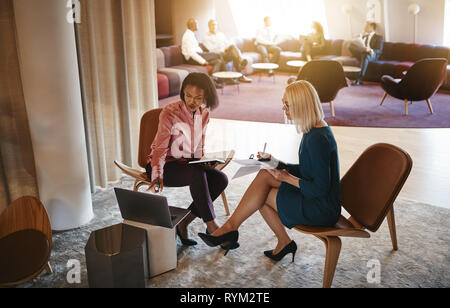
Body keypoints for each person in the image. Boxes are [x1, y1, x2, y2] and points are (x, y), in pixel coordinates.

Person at [198, 80, 342, 260]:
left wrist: (286, 177)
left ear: (302, 105)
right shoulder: (314, 129)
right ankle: (237, 230)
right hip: (318, 199)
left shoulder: (318, 139)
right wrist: (278, 164)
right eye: (283, 103)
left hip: (322, 209)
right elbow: (309, 171)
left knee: (261, 195)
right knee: (265, 174)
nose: (283, 108)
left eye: (287, 104)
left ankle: (232, 230)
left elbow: (319, 188)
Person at [146, 72, 229, 246]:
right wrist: (157, 172)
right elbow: (160, 147)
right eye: (188, 96)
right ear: (183, 93)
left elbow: (199, 147)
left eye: (198, 98)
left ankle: (184, 223)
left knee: (220, 179)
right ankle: (212, 226)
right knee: (196, 174)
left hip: (187, 165)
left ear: (206, 97)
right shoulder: (170, 112)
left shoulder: (204, 114)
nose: (192, 101)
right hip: (164, 165)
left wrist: (205, 162)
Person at [203, 19, 252, 83]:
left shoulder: (220, 34)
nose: (214, 26)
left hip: (225, 53)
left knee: (232, 48)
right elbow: (211, 49)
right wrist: (222, 48)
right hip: (217, 55)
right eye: (212, 25)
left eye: (215, 25)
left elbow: (227, 43)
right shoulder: (206, 37)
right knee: (233, 54)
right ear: (209, 26)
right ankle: (240, 66)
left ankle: (240, 72)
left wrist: (227, 47)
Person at [182, 18, 224, 88]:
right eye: (197, 24)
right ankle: (226, 79)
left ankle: (213, 81)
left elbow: (195, 49)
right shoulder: (188, 36)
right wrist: (203, 62)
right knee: (218, 55)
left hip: (198, 55)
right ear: (192, 25)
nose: (198, 25)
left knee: (218, 61)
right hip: (191, 59)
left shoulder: (191, 34)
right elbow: (192, 53)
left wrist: (204, 52)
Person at [348, 21, 384, 85]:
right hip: (362, 52)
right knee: (350, 45)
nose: (365, 27)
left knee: (365, 55)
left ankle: (359, 79)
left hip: (372, 55)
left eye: (366, 26)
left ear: (372, 27)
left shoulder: (379, 37)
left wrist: (370, 50)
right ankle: (363, 52)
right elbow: (357, 43)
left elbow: (379, 50)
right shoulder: (364, 36)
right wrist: (361, 35)